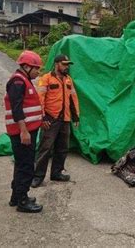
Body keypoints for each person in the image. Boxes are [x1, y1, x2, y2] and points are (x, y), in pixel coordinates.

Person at [31, 54, 80, 188]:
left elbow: (73, 98)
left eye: (68, 64)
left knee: (62, 148)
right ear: (57, 64)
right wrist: (43, 117)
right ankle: (38, 176)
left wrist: (75, 116)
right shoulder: (46, 79)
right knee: (45, 148)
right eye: (64, 64)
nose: (66, 67)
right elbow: (39, 99)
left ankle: (57, 173)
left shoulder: (68, 80)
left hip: (65, 119)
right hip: (50, 119)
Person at [4, 50, 44, 213]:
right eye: (36, 68)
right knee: (26, 166)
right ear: (26, 66)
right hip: (23, 132)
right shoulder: (18, 82)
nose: (37, 72)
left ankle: (16, 196)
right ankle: (23, 200)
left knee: (21, 164)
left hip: (28, 130)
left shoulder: (23, 80)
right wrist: (24, 131)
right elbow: (16, 108)